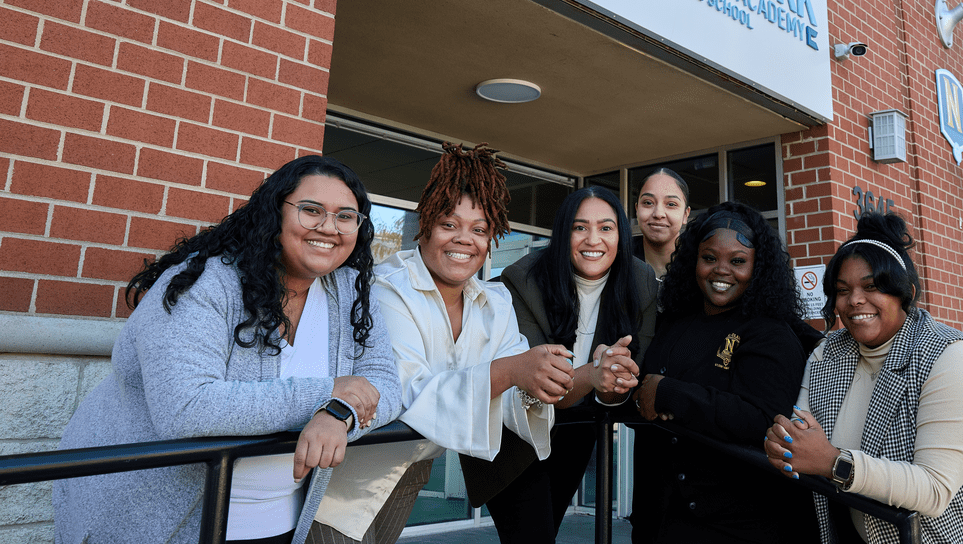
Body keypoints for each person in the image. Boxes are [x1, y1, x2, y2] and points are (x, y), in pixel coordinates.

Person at [53, 155, 402, 544]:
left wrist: (339, 412)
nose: (328, 227)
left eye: (346, 216)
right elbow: (184, 407)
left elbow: (384, 384)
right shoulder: (205, 283)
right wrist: (325, 393)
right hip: (155, 520)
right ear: (275, 213)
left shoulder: (350, 291)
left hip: (278, 521)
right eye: (311, 210)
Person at [309, 143, 574, 542]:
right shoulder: (386, 289)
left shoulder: (495, 301)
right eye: (450, 224)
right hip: (347, 474)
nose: (464, 239)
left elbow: (514, 394)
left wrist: (541, 384)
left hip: (413, 468)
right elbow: (406, 390)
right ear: (426, 224)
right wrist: (514, 371)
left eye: (480, 229)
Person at [764, 213, 963, 544]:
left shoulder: (950, 357)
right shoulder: (829, 353)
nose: (855, 301)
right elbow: (800, 438)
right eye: (842, 290)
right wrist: (784, 445)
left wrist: (833, 463)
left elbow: (934, 490)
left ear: (903, 291)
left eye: (871, 286)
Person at [630, 201, 821, 544]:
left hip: (736, 524)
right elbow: (643, 391)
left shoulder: (771, 333)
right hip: (658, 517)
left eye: (737, 261)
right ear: (693, 260)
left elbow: (766, 416)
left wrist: (670, 394)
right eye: (709, 258)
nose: (721, 270)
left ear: (758, 267)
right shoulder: (674, 321)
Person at [487, 185, 658, 543]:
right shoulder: (523, 279)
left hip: (576, 427)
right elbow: (539, 384)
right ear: (563, 232)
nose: (592, 239)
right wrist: (595, 375)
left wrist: (614, 384)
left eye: (606, 227)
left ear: (621, 234)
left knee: (545, 531)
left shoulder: (640, 281)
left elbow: (629, 377)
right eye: (579, 227)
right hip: (513, 431)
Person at [632, 168, 691, 278]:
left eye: (671, 204)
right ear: (637, 209)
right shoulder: (617, 259)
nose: (658, 214)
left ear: (685, 215)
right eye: (648, 202)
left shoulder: (699, 261)